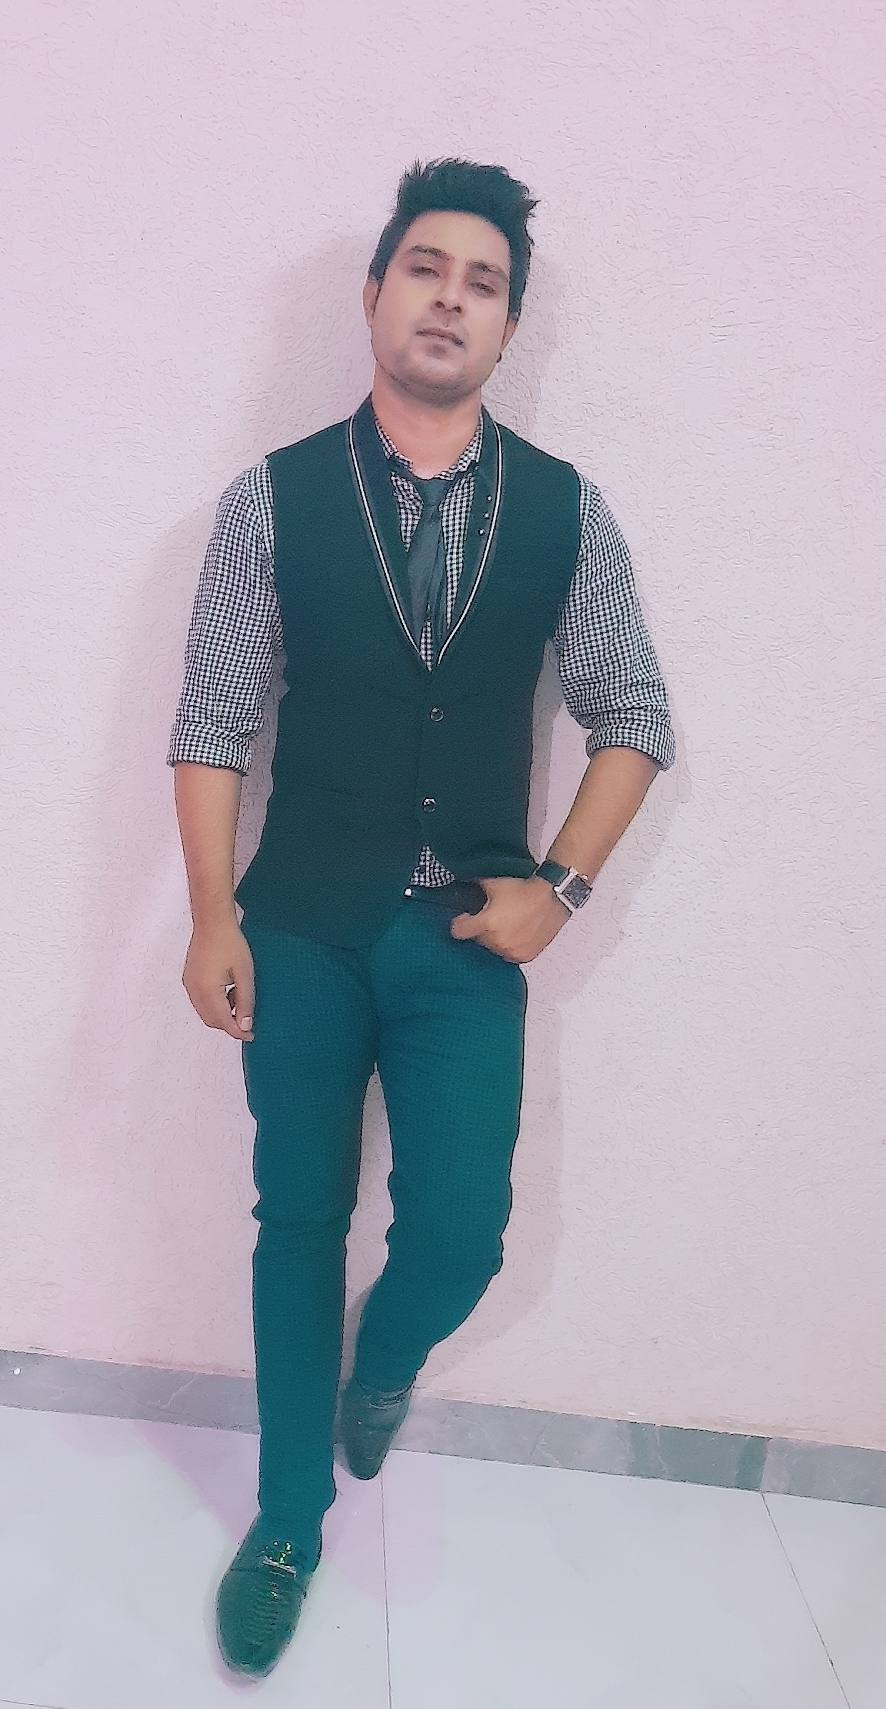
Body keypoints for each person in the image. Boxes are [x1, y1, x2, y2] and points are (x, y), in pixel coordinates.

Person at [168, 157, 675, 1678]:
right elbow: (211, 722)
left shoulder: (565, 510)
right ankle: (286, 1522)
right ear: (375, 294)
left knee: (459, 1230)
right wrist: (210, 918)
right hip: (300, 927)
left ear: (507, 325)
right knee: (297, 1223)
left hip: (463, 939)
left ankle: (378, 1368)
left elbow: (636, 717)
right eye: (426, 269)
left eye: (483, 282)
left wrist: (559, 892)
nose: (451, 299)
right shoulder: (272, 497)